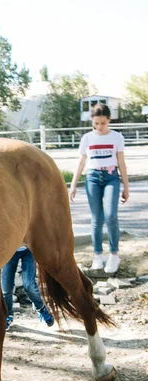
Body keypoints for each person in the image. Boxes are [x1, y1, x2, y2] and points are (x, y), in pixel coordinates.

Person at [70, 104, 130, 273]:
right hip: (93, 178)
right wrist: (73, 185)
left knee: (110, 216)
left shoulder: (116, 137)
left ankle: (113, 254)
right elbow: (81, 162)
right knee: (96, 219)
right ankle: (98, 255)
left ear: (109, 120)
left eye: (103, 123)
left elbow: (122, 163)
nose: (99, 127)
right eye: (96, 123)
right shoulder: (87, 138)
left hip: (111, 177)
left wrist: (126, 187)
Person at [1, 246, 54, 331]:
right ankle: (8, 315)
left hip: (28, 249)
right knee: (6, 289)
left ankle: (41, 308)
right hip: (9, 250)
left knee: (29, 285)